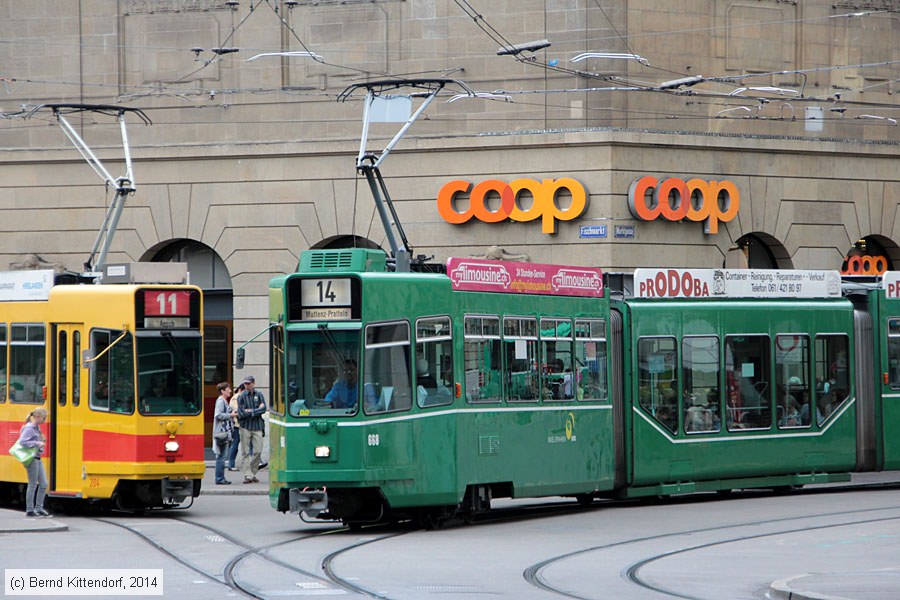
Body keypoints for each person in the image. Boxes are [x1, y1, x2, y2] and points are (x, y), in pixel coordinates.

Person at [18, 408, 51, 517]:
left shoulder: (36, 428)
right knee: (32, 484)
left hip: (37, 457)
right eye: (43, 418)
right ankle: (30, 510)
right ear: (37, 417)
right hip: (31, 459)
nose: (45, 420)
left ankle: (39, 508)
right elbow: (22, 442)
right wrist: (37, 443)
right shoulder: (29, 428)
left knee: (43, 484)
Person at [236, 375, 267, 484]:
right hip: (245, 426)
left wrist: (251, 411)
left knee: (258, 450)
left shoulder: (259, 395)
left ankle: (252, 473)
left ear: (253, 383)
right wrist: (256, 410)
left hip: (257, 426)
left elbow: (264, 408)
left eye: (248, 383)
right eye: (245, 384)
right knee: (245, 452)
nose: (246, 385)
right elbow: (241, 413)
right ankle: (248, 475)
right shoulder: (241, 396)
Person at [213, 382, 234, 485]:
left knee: (222, 456)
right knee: (221, 457)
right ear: (222, 391)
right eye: (228, 389)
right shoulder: (221, 401)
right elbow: (218, 415)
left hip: (225, 432)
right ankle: (220, 478)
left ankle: (220, 477)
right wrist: (230, 415)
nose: (230, 391)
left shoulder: (224, 401)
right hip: (222, 432)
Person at [226, 383, 244, 471]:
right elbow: (237, 410)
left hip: (242, 424)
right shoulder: (235, 398)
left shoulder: (241, 397)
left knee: (250, 444)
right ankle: (231, 464)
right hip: (236, 425)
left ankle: (258, 461)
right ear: (241, 390)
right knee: (235, 445)